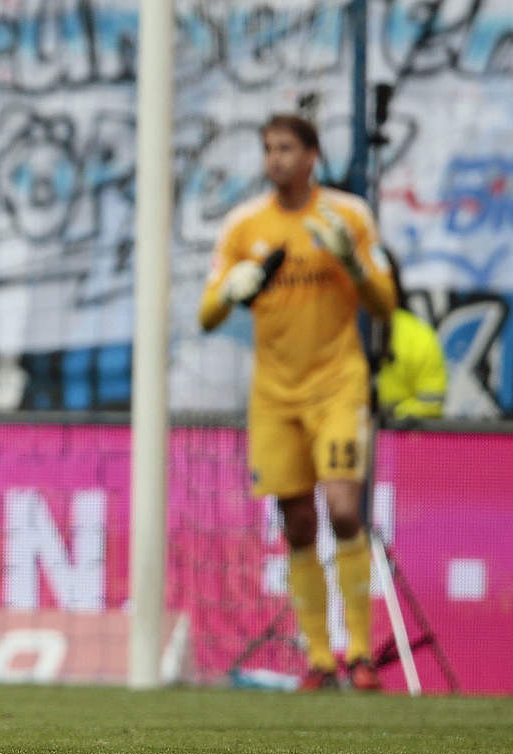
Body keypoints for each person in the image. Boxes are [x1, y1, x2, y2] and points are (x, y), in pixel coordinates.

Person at [198, 114, 397, 691]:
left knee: (342, 509)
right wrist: (232, 290)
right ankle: (318, 659)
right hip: (274, 396)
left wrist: (354, 264)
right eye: (267, 149)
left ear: (312, 155)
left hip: (337, 385)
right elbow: (206, 316)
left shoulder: (348, 216)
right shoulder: (244, 226)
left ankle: (360, 652)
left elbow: (385, 304)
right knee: (299, 523)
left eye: (286, 148)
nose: (275, 159)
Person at [376, 250, 446, 420]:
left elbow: (431, 401)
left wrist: (392, 418)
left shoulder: (417, 335)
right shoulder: (336, 332)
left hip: (400, 440)